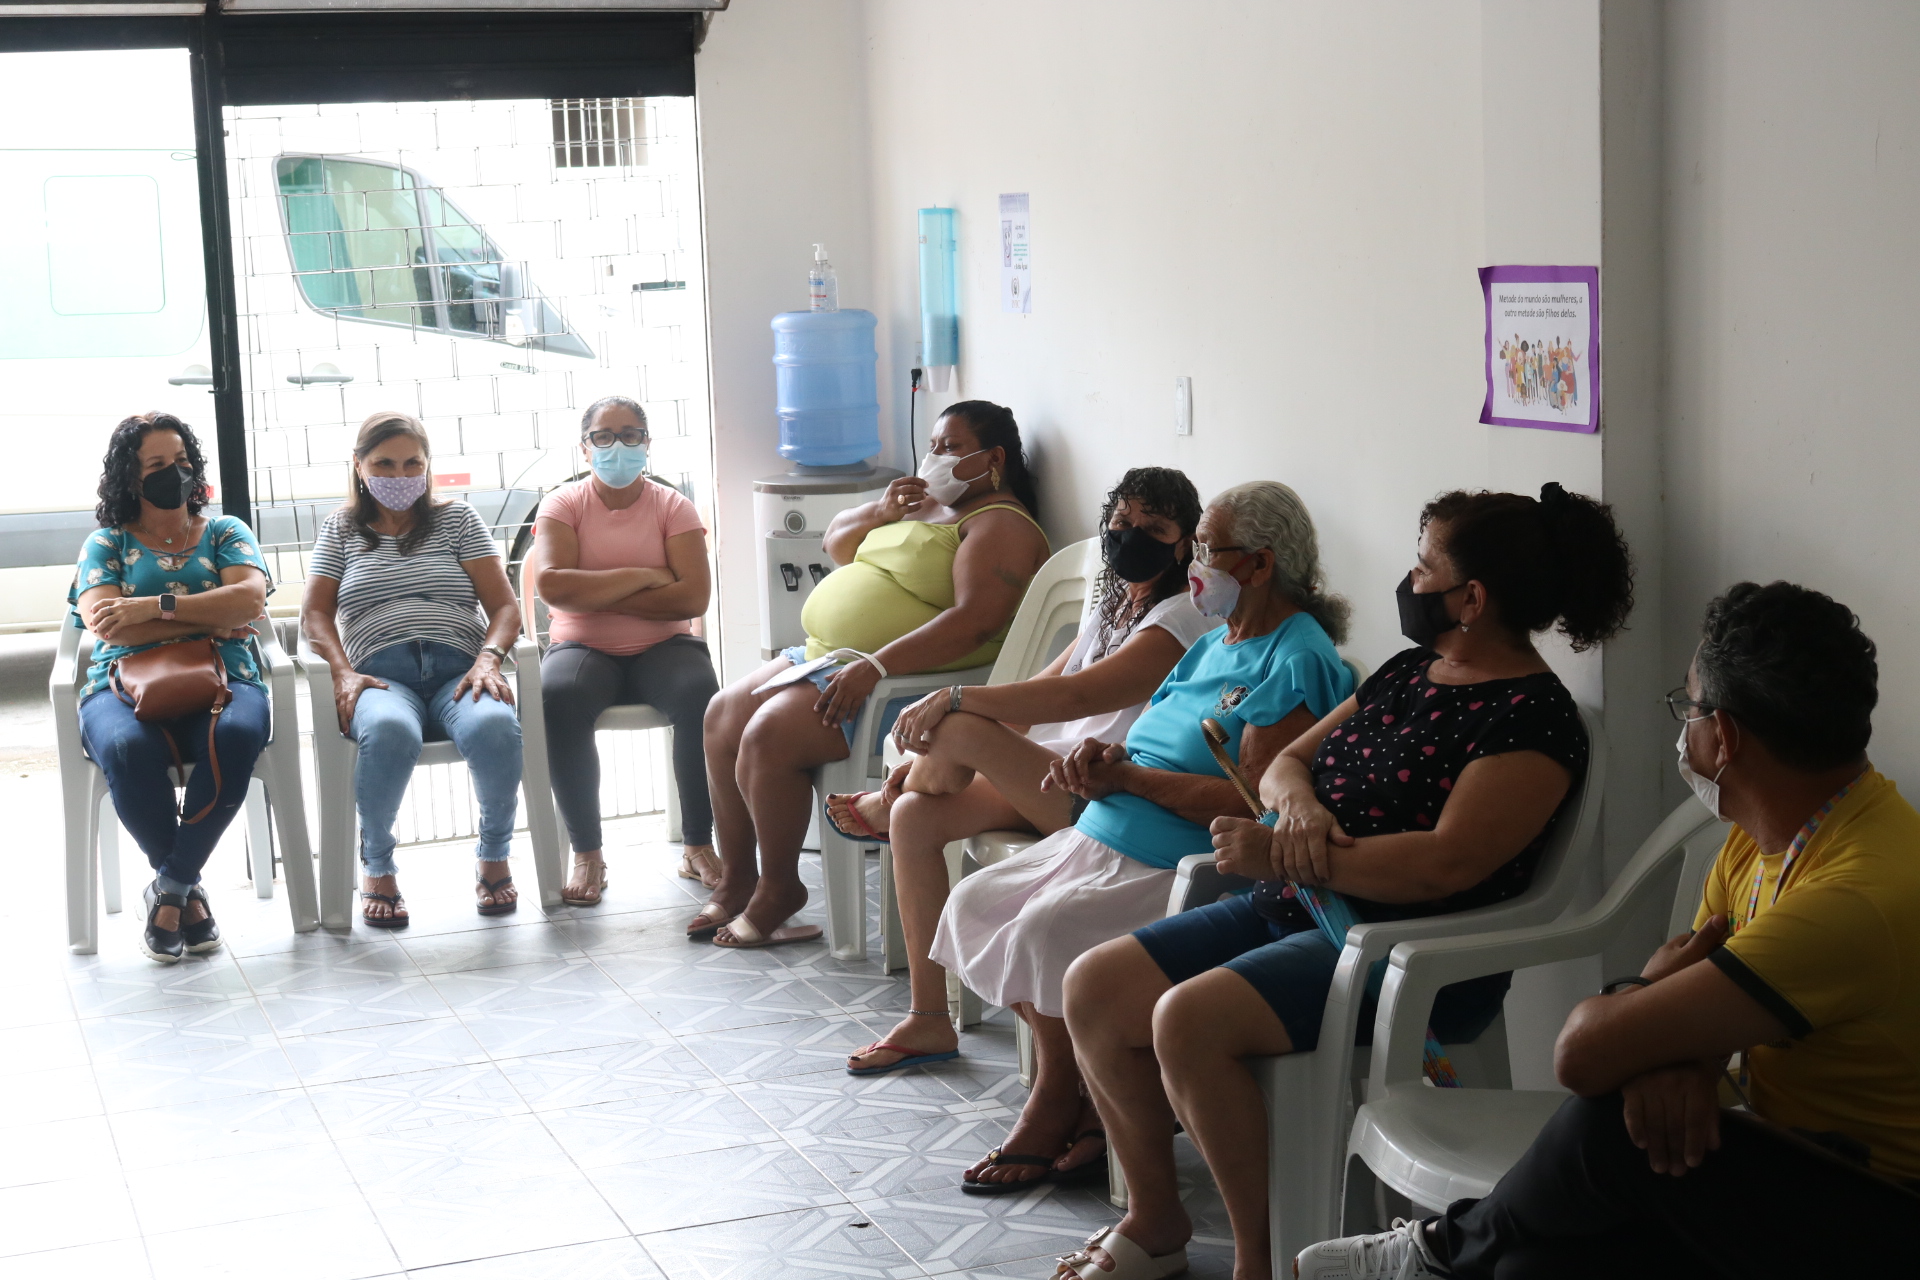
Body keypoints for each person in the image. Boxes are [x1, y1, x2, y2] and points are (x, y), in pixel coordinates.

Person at [1063, 483, 1632, 1279]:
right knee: (1093, 988)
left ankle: (1255, 1261)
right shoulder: (1409, 673)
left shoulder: (1532, 720)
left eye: (1425, 565)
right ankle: (1156, 1223)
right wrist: (1294, 814)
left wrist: (1297, 856)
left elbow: (1446, 863)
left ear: (1471, 598)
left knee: (1187, 1022)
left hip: (1400, 951)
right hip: (1300, 907)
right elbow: (1286, 765)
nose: (1411, 580)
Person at [1296, 581, 1920, 1280]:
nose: (1686, 730)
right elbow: (1701, 1015)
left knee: (1602, 1129)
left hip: (1887, 1210)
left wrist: (1647, 993)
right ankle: (1459, 1253)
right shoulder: (1763, 839)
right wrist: (1679, 1053)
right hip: (1800, 1160)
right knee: (1530, 1264)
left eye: (1692, 708)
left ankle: (1439, 1251)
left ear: (1729, 737)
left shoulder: (1852, 897)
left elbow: (1584, 1054)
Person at [935, 480, 1356, 1196]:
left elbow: (1256, 804)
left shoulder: (1295, 658)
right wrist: (1108, 763)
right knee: (976, 903)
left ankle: (1058, 1101)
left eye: (1206, 549)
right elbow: (1149, 742)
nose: (1194, 564)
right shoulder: (1218, 641)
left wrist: (1129, 782)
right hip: (1102, 831)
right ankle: (1079, 1093)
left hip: (1179, 863)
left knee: (1044, 929)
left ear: (1259, 564)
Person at [829, 467, 1216, 1077]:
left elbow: (1072, 701)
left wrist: (956, 702)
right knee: (916, 816)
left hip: (1101, 798)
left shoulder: (1181, 621)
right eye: (1122, 522)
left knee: (957, 727)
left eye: (1156, 527)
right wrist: (949, 736)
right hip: (1041, 778)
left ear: (1185, 543)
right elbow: (1041, 688)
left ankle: (884, 795)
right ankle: (930, 1019)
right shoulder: (1115, 602)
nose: (1133, 535)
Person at [698, 401, 1050, 948]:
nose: (934, 458)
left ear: (994, 459)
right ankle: (738, 876)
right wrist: (881, 510)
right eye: (932, 446)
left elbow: (973, 624)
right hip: (828, 657)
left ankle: (779, 888)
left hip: (898, 681)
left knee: (767, 734)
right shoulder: (923, 503)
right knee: (722, 715)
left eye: (951, 448)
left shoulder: (1000, 525)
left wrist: (877, 664)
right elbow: (835, 544)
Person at [302, 412, 525, 928]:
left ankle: (494, 856)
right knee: (387, 730)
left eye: (412, 464)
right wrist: (342, 671)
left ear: (427, 467)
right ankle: (377, 867)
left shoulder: (459, 520)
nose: (399, 477)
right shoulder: (340, 528)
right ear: (358, 466)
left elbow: (506, 607)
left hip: (460, 669)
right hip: (381, 675)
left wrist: (489, 657)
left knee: (495, 726)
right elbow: (314, 614)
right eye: (384, 464)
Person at [71, 412, 273, 963]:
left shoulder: (226, 532)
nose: (175, 474)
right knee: (125, 748)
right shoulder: (106, 542)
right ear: (130, 478)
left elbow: (250, 602)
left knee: (235, 737)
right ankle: (187, 894)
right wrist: (209, 619)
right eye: (158, 465)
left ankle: (171, 889)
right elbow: (105, 622)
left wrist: (155, 607)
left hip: (226, 676)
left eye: (182, 462)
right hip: (120, 683)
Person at [529, 396, 719, 906]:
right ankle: (587, 853)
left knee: (701, 693)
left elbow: (693, 597)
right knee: (558, 700)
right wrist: (645, 577)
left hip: (666, 648)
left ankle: (698, 845)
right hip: (582, 647)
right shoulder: (563, 504)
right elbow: (555, 589)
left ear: (647, 444)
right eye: (604, 436)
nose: (618, 445)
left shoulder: (673, 507)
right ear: (585, 448)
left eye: (631, 434)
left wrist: (596, 589)